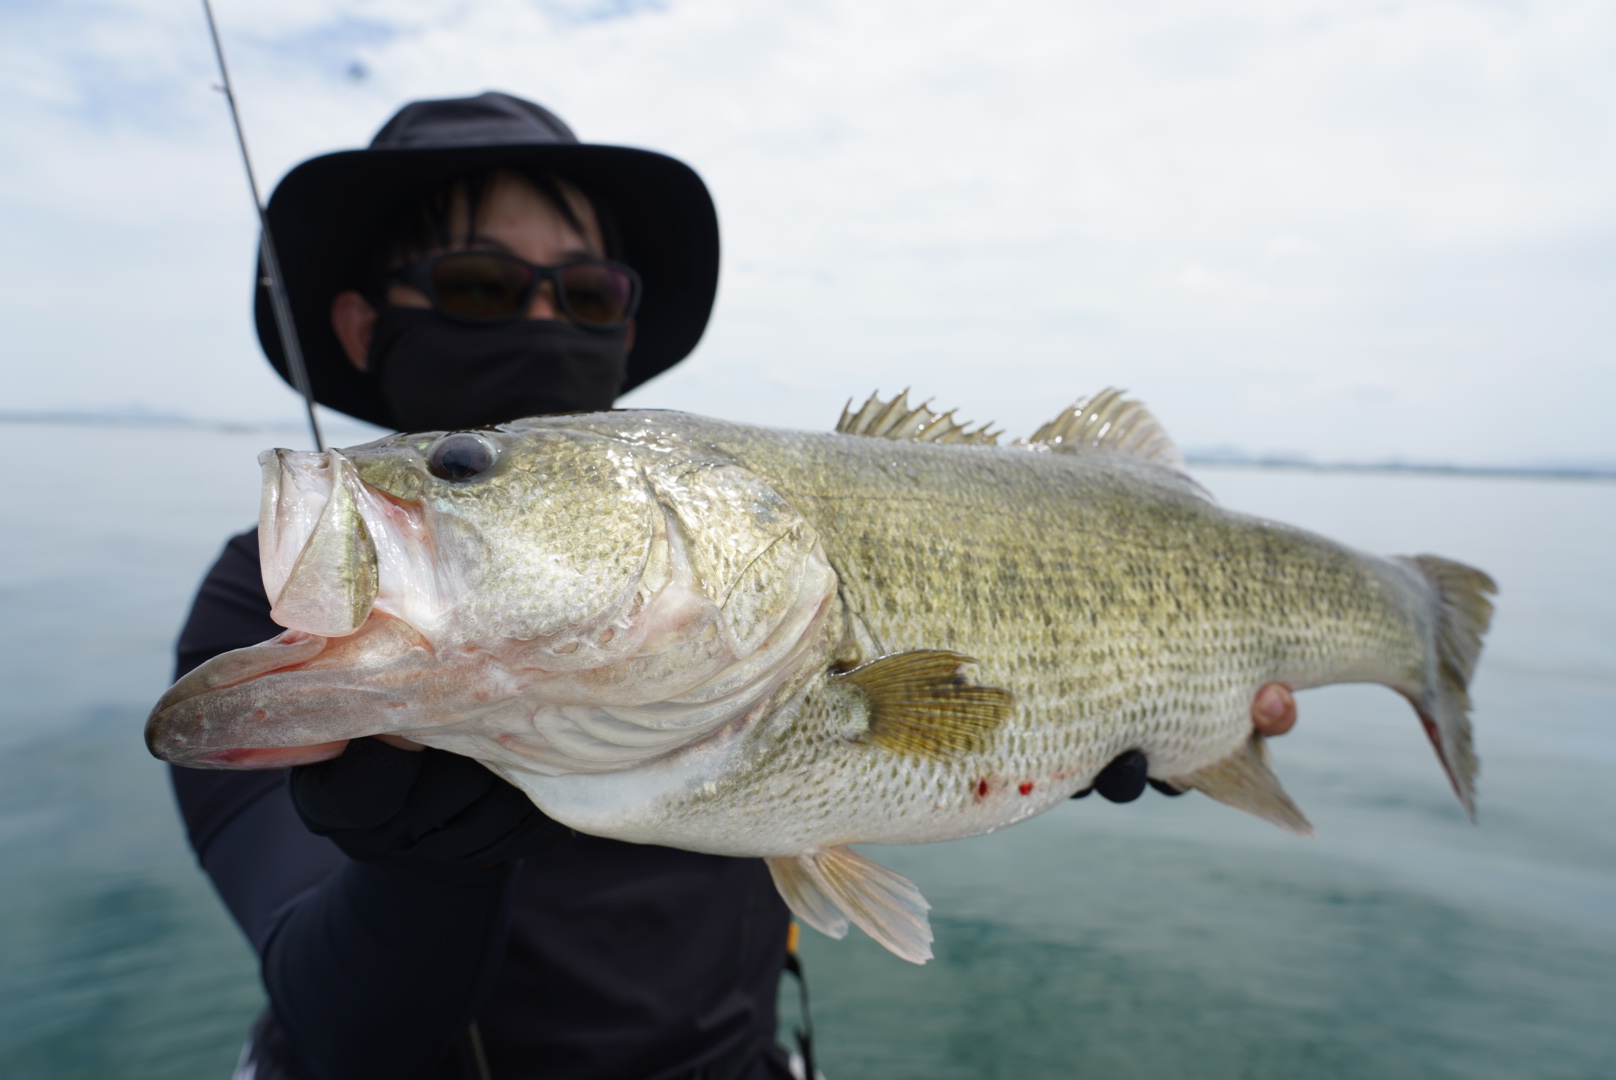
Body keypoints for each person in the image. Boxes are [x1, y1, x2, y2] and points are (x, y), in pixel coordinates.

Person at [169, 91, 1298, 1080]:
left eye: (591, 291)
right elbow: (344, 1029)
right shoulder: (250, 607)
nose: (540, 318)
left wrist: (1162, 704)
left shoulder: (732, 525)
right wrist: (414, 876)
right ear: (361, 326)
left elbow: (935, 727)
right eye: (476, 285)